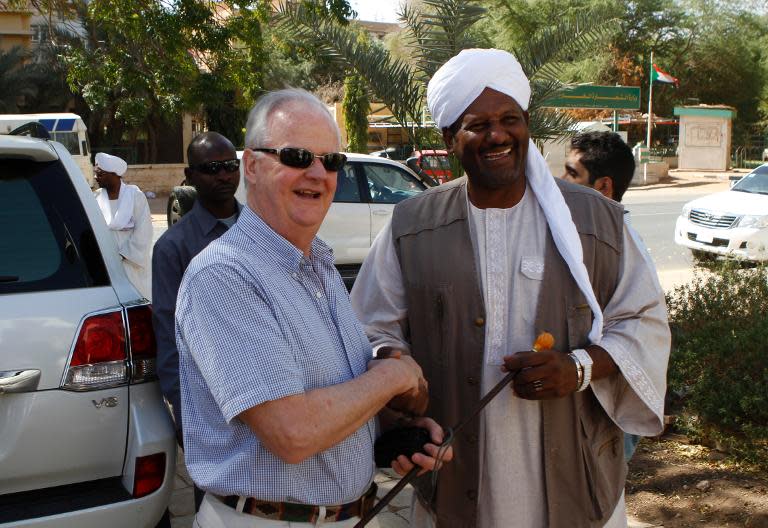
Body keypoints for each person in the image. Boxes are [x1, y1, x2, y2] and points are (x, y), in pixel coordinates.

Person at [351, 49, 670, 528]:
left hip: (577, 485)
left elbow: (644, 321)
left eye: (509, 119)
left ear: (526, 125)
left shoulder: (596, 220)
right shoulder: (411, 227)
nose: (496, 134)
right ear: (448, 138)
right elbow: (370, 329)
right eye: (477, 124)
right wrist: (399, 381)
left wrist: (580, 368)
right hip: (455, 484)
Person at [175, 88, 451, 528]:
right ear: (251, 165)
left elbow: (335, 401)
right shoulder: (224, 276)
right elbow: (294, 433)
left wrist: (394, 436)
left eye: (332, 161)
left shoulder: (321, 268)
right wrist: (393, 375)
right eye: (298, 157)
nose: (319, 174)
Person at [152, 132, 242, 510]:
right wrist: (185, 413)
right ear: (190, 175)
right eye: (211, 169)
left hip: (273, 391)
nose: (223, 176)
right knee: (218, 502)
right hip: (209, 400)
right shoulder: (174, 247)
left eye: (230, 167)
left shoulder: (266, 231)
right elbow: (168, 331)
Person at [562, 130, 665, 461]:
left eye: (572, 173)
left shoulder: (619, 242)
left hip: (603, 408)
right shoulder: (574, 232)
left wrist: (577, 367)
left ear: (603, 186)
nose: (560, 181)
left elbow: (642, 327)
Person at [94, 152, 153, 299]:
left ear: (114, 174)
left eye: (100, 174)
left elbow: (144, 231)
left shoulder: (135, 196)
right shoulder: (95, 198)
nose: (95, 177)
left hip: (133, 264)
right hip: (106, 264)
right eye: (96, 173)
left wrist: (121, 255)